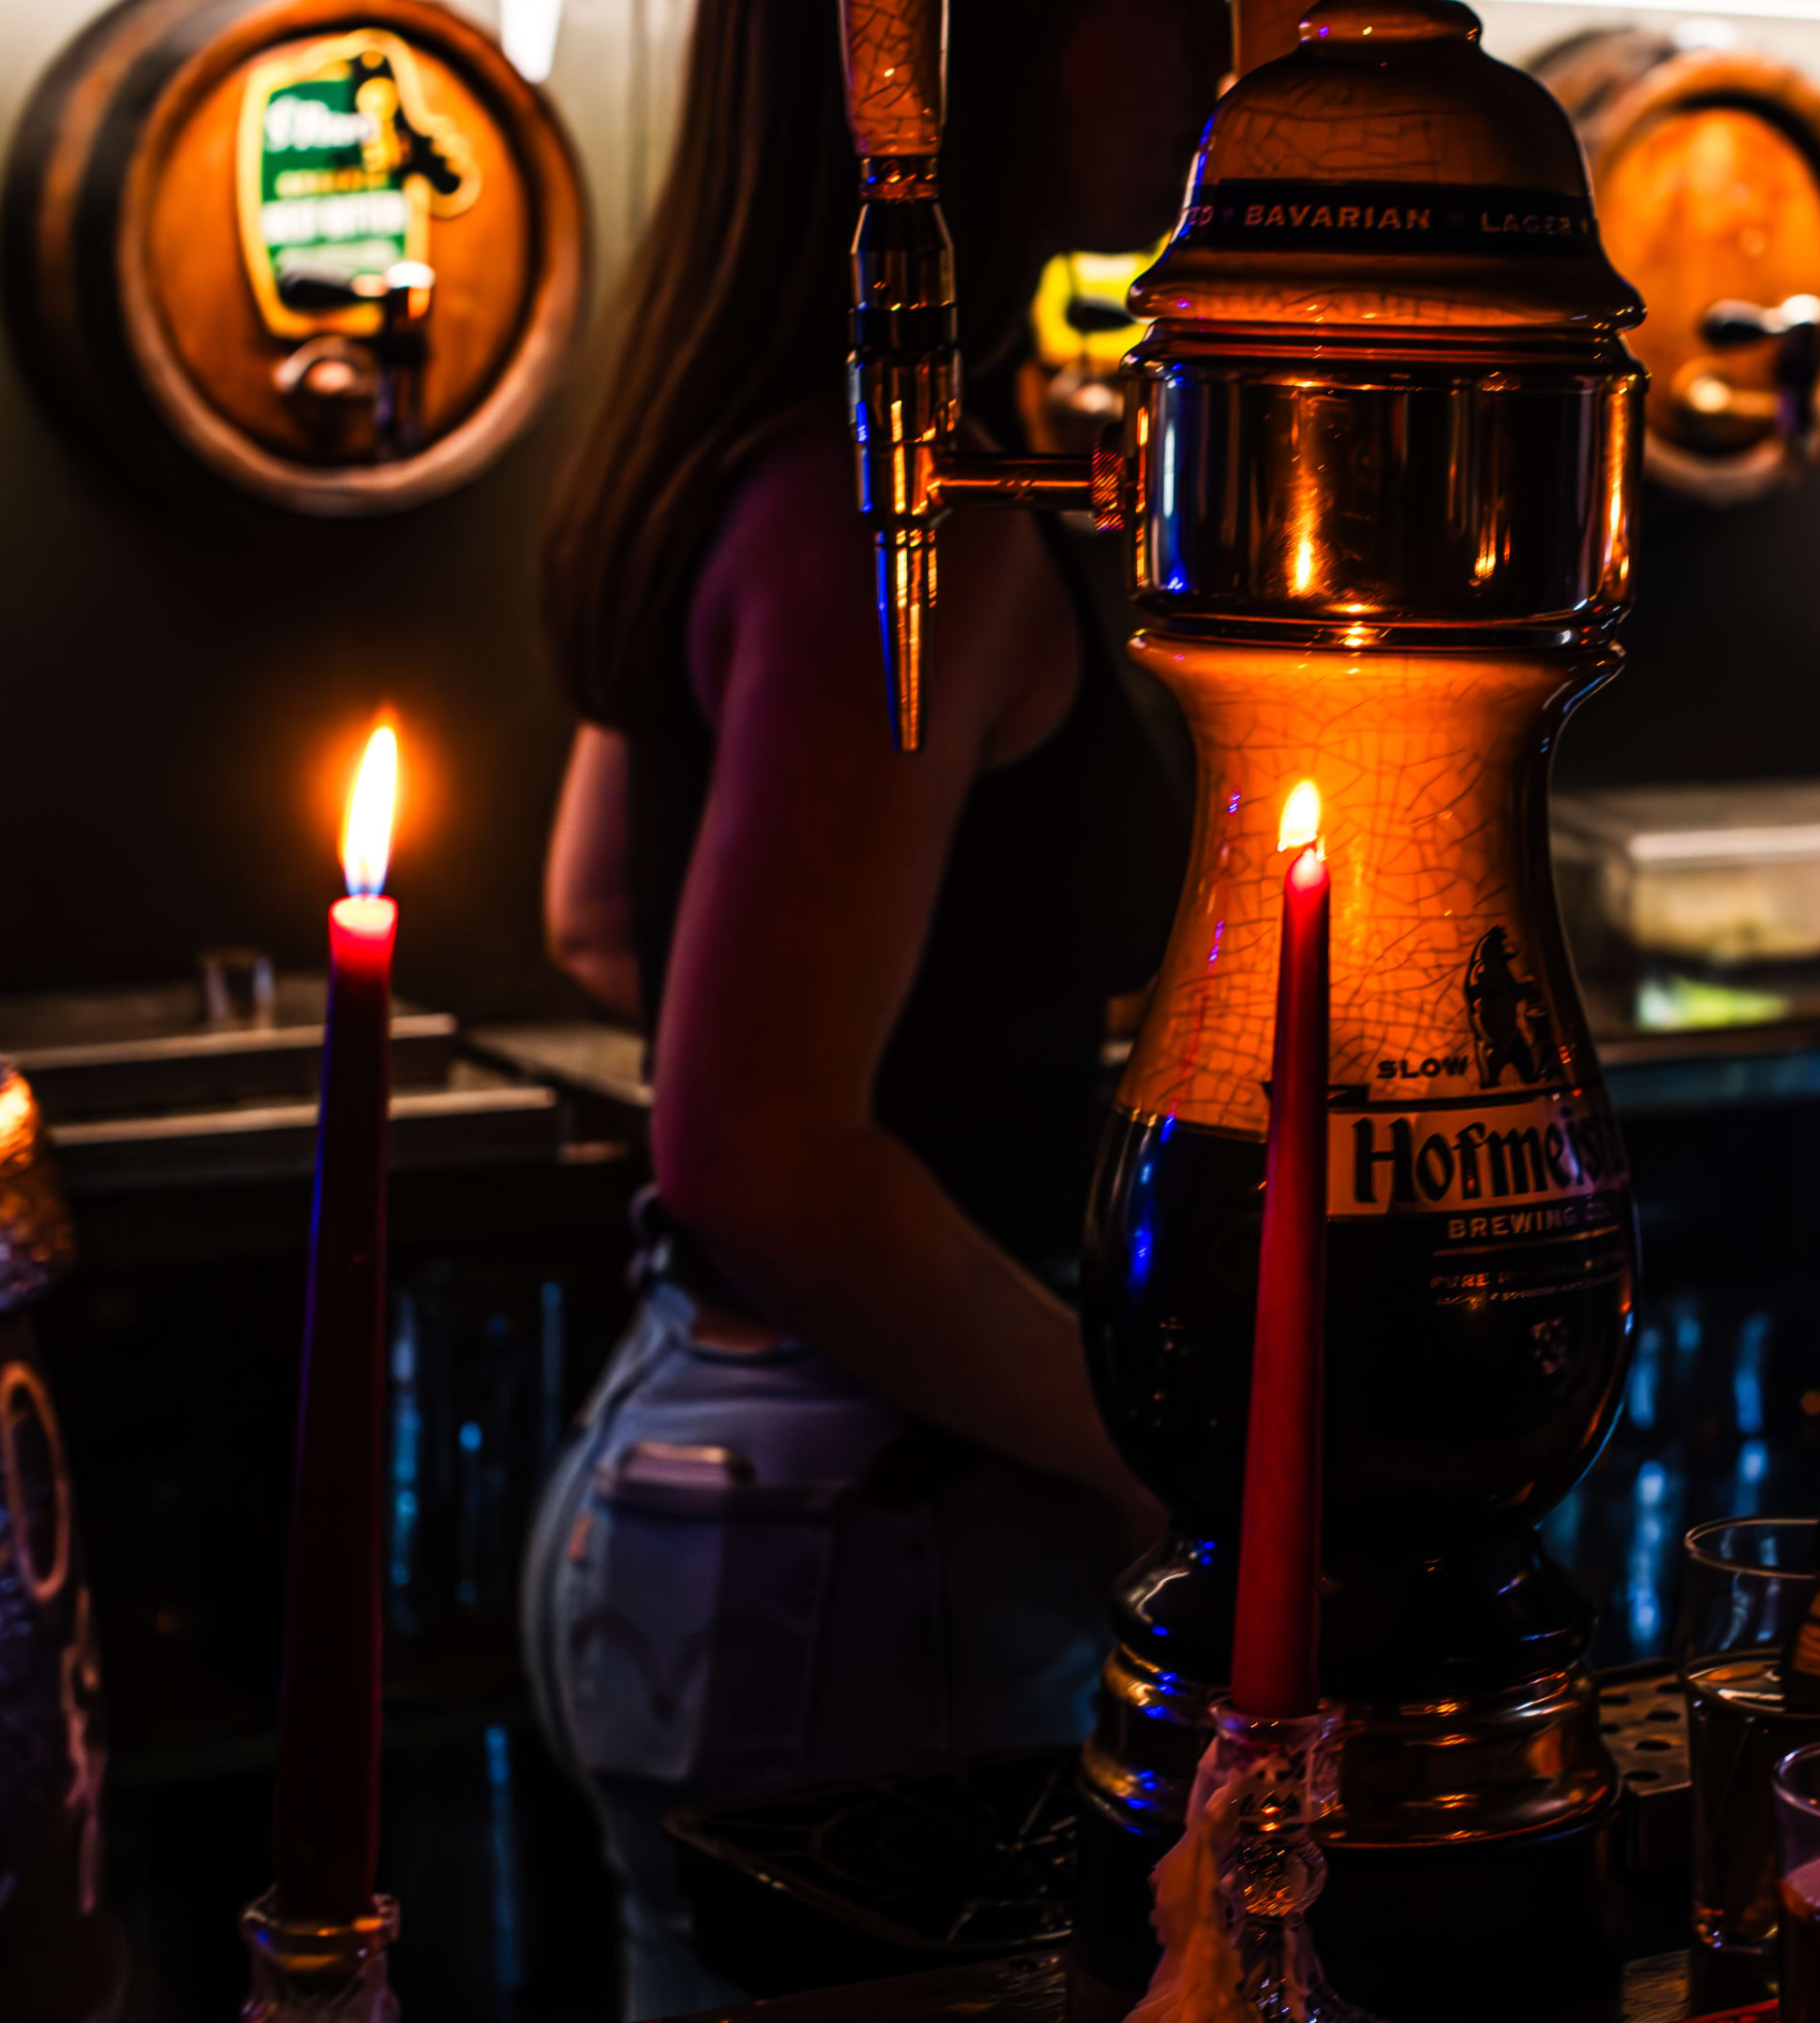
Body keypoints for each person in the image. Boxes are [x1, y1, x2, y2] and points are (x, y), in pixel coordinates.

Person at [522, 0, 1221, 2007]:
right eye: (1140, 10)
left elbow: (593, 918)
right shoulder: (915, 524)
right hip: (868, 1532)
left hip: (715, 1460)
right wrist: (1158, 1455)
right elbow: (750, 1138)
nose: (1190, 65)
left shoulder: (743, 454)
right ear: (977, 49)